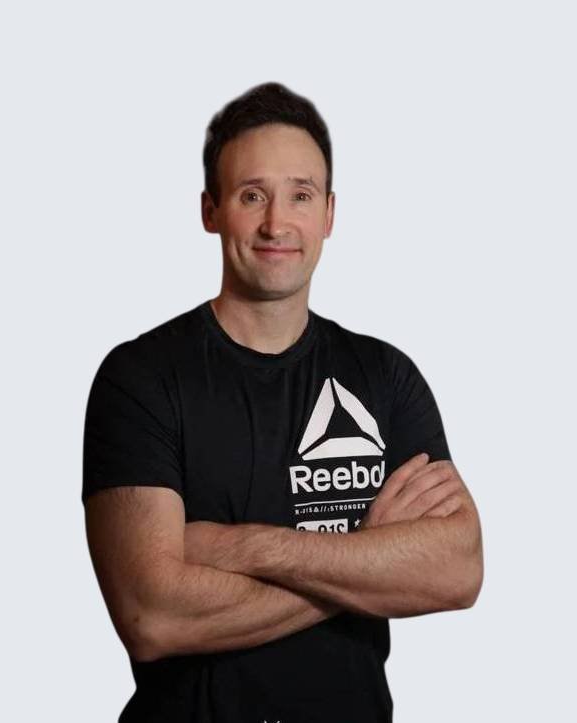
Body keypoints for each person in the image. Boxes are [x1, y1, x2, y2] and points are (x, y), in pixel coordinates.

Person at [82, 81, 483, 723]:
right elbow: (151, 617)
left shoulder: (385, 376)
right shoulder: (141, 379)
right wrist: (369, 558)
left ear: (329, 214)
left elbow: (457, 571)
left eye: (300, 195)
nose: (277, 223)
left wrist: (244, 548)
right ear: (210, 210)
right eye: (252, 195)